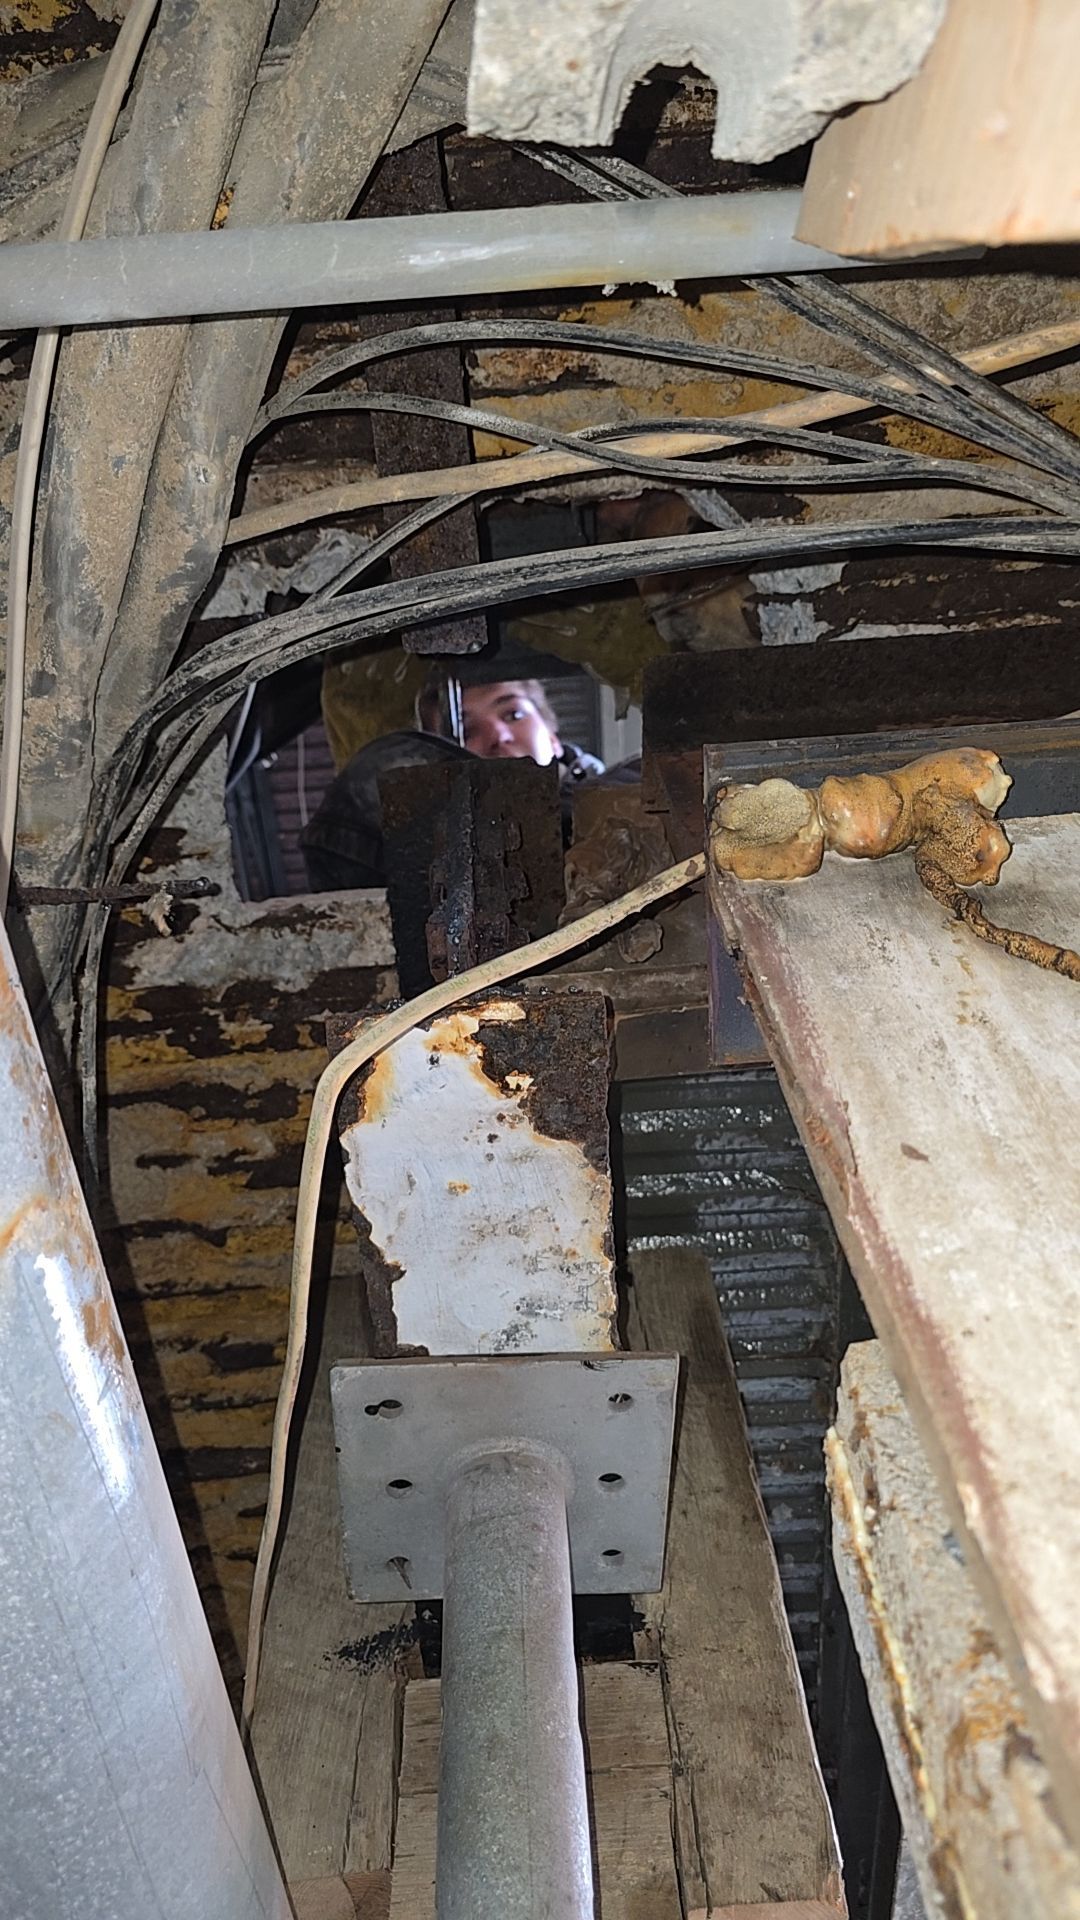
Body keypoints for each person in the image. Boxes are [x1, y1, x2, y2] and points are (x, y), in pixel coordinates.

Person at [300, 669, 603, 892]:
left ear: (553, 739)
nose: (498, 735)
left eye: (513, 714)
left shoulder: (619, 791)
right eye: (467, 731)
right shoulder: (430, 859)